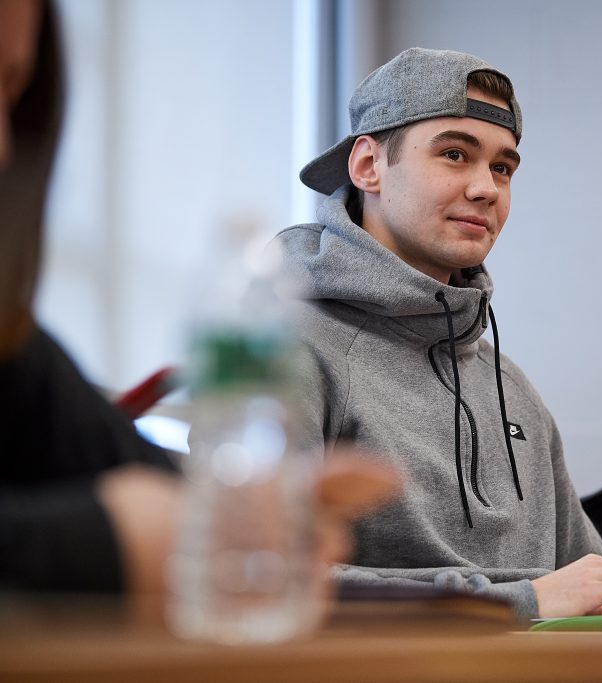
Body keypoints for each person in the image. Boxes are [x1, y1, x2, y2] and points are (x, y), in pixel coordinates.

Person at [274, 48, 602, 619]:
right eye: (455, 154)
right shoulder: (286, 350)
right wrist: (521, 601)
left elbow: (588, 573)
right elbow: (262, 574)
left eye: (503, 167)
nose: (487, 189)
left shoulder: (509, 385)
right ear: (368, 166)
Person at [0, 0, 396, 596]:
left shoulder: (13, 346)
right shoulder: (295, 331)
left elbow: (113, 453)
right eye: (452, 154)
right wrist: (103, 547)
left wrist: (274, 509)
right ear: (366, 165)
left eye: (10, 93)